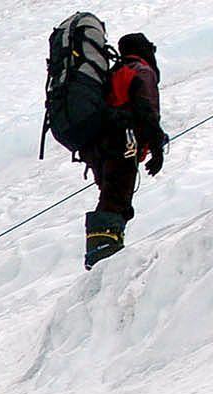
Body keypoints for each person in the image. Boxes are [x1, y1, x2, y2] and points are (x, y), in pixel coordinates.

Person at [77, 32, 166, 269]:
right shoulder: (141, 71)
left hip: (98, 146)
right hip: (122, 140)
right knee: (117, 197)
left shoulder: (114, 72)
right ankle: (105, 257)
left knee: (111, 195)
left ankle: (102, 253)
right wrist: (156, 145)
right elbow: (144, 108)